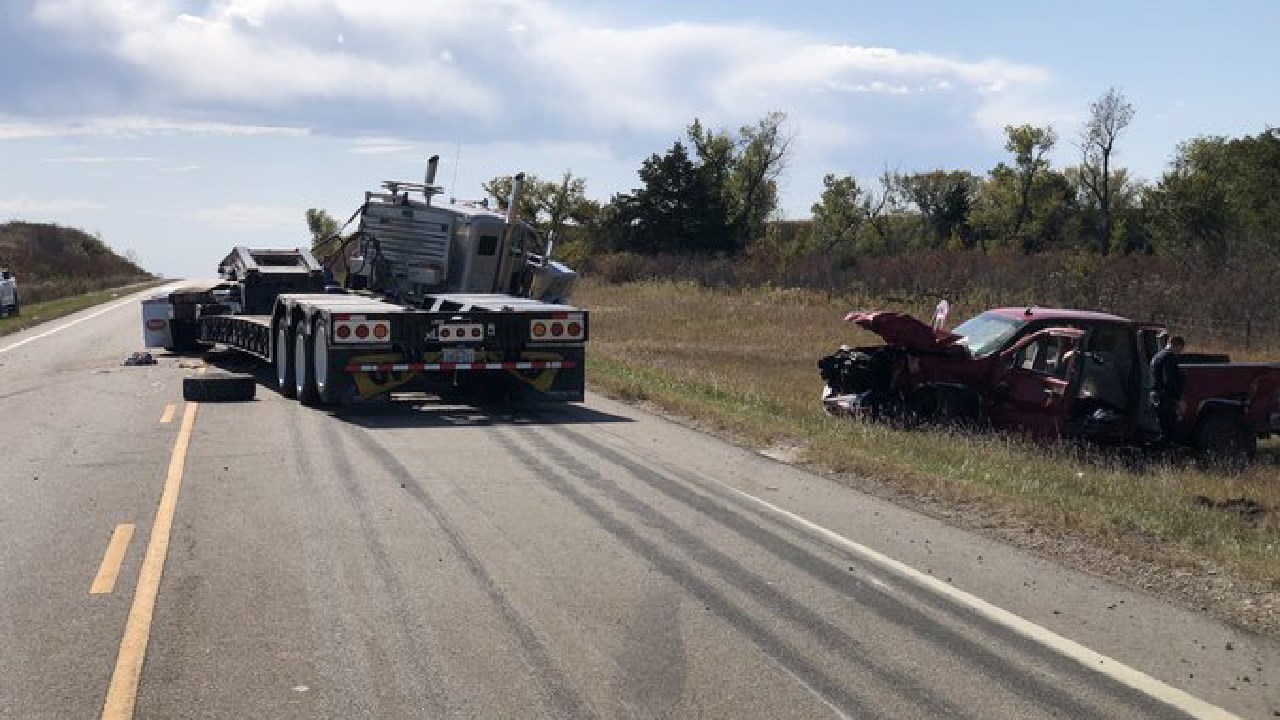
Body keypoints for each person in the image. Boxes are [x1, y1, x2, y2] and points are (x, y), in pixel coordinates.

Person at [1150, 335, 1186, 443]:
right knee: (1170, 431)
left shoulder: (1157, 356)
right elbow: (1170, 381)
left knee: (1162, 427)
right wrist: (1179, 399)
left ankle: (1160, 454)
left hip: (1156, 396)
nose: (1179, 353)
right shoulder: (1170, 358)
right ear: (1177, 345)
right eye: (1180, 349)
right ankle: (1168, 455)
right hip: (1167, 398)